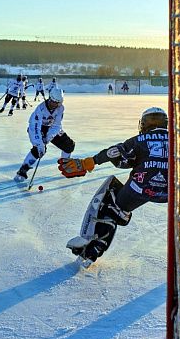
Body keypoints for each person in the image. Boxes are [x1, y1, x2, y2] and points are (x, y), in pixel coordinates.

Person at [58, 107, 169, 266]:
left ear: (144, 124)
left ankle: (95, 246)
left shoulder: (140, 140)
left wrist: (87, 162)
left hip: (141, 188)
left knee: (110, 196)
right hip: (171, 192)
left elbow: (115, 153)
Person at [14, 87, 76, 181]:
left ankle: (65, 166)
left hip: (52, 128)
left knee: (69, 145)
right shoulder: (40, 109)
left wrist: (48, 137)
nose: (55, 105)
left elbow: (56, 125)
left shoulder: (60, 108)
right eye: (54, 102)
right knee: (39, 150)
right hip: (37, 128)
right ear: (50, 98)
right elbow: (35, 128)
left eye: (58, 102)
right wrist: (39, 143)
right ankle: (23, 169)